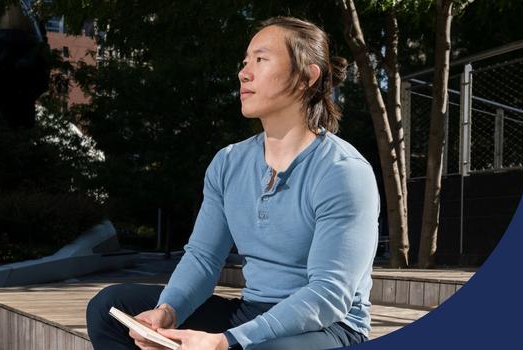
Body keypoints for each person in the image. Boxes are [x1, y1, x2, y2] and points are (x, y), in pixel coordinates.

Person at [86, 16, 379, 350]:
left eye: (261, 59)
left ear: (305, 77)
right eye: (245, 61)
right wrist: (166, 311)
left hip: (330, 327)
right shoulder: (228, 163)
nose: (244, 72)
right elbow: (203, 257)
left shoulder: (343, 172)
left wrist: (226, 342)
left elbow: (328, 295)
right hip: (252, 310)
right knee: (110, 308)